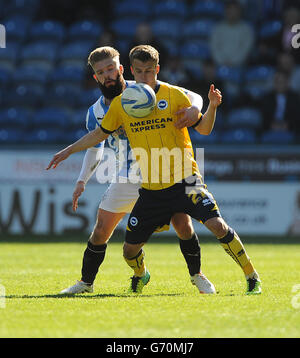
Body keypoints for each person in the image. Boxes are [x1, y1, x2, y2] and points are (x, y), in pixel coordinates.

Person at [47, 45, 261, 295]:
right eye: (101, 72)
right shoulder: (104, 110)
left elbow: (195, 103)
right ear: (95, 77)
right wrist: (77, 168)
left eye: (111, 69)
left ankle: (204, 275)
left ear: (121, 69)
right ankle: (102, 279)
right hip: (133, 178)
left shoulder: (157, 91)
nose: (107, 75)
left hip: (177, 175)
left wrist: (201, 107)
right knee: (107, 233)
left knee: (189, 225)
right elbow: (97, 140)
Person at [210, 0, 254, 67]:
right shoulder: (217, 28)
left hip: (239, 67)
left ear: (240, 11)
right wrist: (221, 62)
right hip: (219, 66)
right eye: (229, 9)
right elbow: (214, 48)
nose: (232, 12)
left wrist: (232, 62)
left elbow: (245, 50)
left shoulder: (247, 30)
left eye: (234, 10)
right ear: (225, 11)